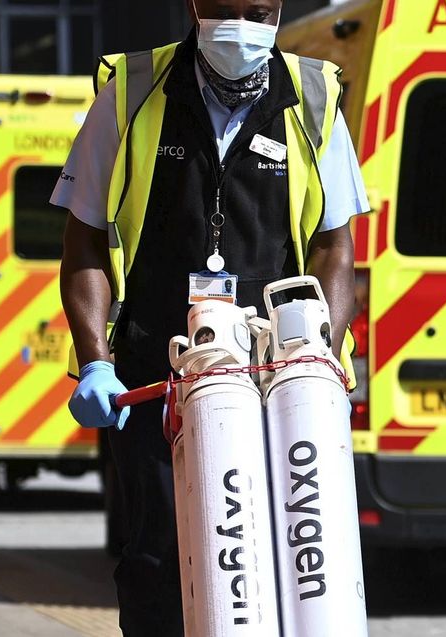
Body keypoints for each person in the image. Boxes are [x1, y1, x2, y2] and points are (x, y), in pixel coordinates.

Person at [53, 0, 369, 633]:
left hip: (271, 377)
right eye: (225, 9)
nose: (242, 27)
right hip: (155, 380)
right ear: (195, 7)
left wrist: (318, 355)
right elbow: (83, 238)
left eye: (258, 11)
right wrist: (96, 362)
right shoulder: (132, 94)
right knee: (160, 566)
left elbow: (337, 248)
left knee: (289, 561)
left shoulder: (312, 99)